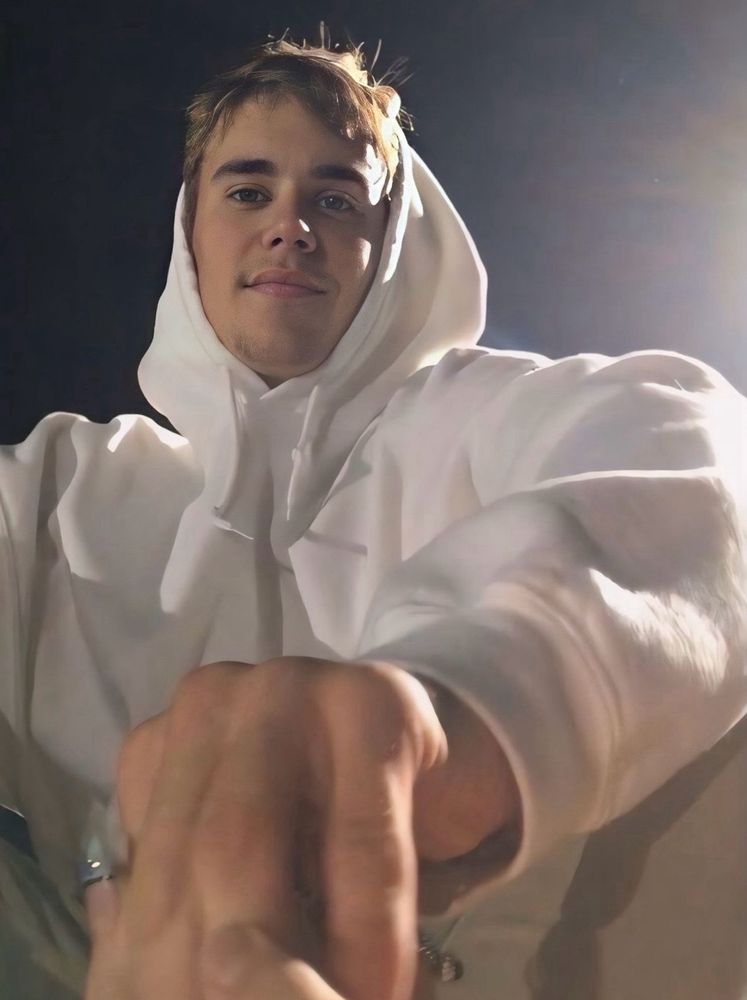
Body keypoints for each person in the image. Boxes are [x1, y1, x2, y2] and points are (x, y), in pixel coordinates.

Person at [1, 34, 745, 1000]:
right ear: (189, 235)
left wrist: (458, 705)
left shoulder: (480, 416)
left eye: (335, 200)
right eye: (247, 191)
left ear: (392, 247)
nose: (289, 227)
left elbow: (697, 460)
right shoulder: (59, 493)